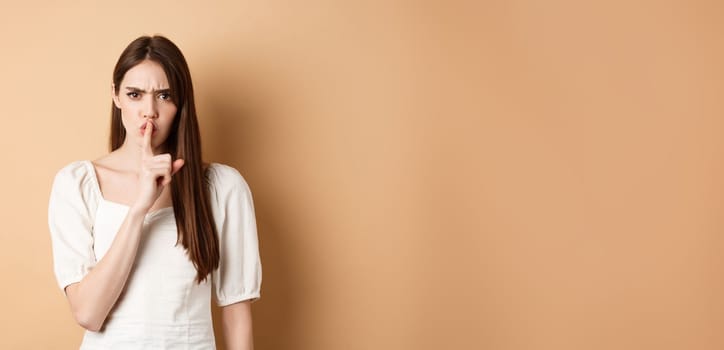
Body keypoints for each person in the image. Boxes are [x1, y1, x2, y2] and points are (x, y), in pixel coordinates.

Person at [47, 35, 261, 349]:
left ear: (181, 102)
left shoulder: (221, 187)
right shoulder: (78, 183)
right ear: (116, 95)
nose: (149, 111)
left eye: (164, 96)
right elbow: (88, 313)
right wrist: (139, 208)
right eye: (135, 94)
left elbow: (236, 313)